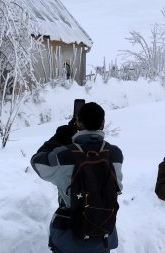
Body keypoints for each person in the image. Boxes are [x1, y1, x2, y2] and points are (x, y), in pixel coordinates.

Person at [31, 102, 123, 253]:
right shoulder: (115, 154)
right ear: (103, 124)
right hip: (103, 234)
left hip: (68, 237)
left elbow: (36, 162)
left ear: (78, 123)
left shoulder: (64, 155)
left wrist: (59, 137)